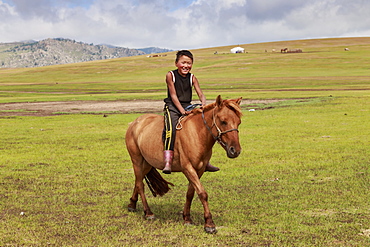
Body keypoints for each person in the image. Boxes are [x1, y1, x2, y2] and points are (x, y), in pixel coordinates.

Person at [162, 50, 219, 174]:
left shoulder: (192, 77)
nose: (186, 66)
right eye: (183, 62)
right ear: (176, 63)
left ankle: (205, 161)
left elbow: (200, 94)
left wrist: (204, 105)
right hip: (172, 106)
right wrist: (182, 111)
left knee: (203, 127)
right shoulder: (170, 75)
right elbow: (173, 95)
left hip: (188, 106)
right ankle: (168, 161)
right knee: (170, 130)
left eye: (189, 63)